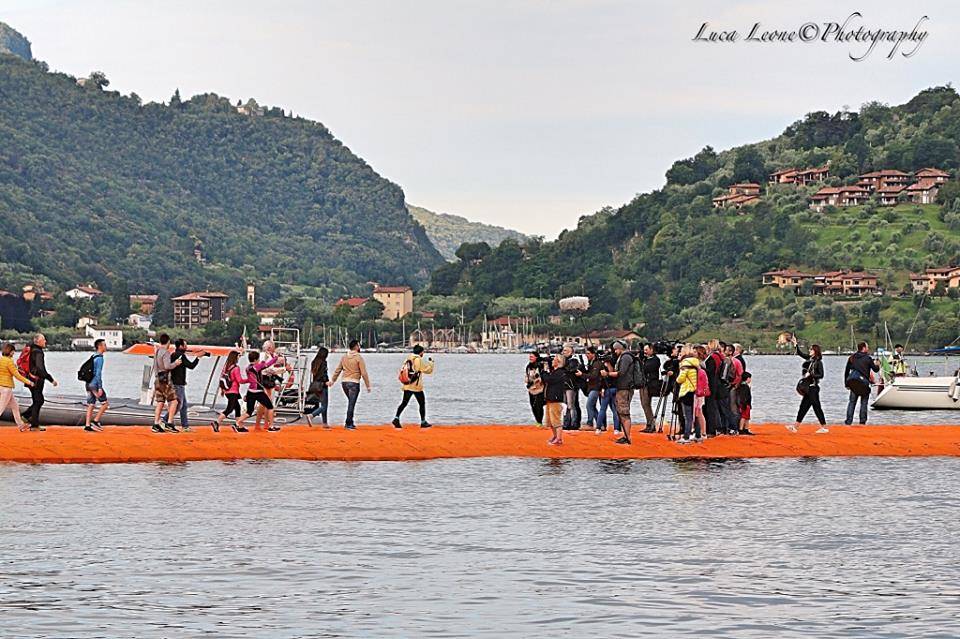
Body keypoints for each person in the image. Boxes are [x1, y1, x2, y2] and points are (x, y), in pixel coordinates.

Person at [329, 339, 371, 430]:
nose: (359, 347)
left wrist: (333, 380)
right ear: (356, 346)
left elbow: (338, 369)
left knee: (351, 402)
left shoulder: (344, 357)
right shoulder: (359, 357)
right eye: (359, 345)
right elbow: (363, 373)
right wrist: (368, 385)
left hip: (344, 382)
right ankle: (348, 423)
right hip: (354, 382)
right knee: (351, 403)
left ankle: (350, 422)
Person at [234, 350, 280, 431]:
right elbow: (267, 364)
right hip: (258, 392)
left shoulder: (248, 367)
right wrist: (275, 357)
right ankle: (271, 426)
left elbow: (261, 366)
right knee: (270, 407)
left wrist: (265, 359)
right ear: (255, 360)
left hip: (250, 391)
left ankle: (237, 423)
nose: (259, 360)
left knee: (249, 412)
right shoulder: (256, 367)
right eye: (258, 359)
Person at [392, 345, 435, 428]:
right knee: (422, 403)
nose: (423, 353)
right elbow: (428, 370)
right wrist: (431, 362)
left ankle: (396, 418)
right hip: (416, 386)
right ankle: (423, 422)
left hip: (407, 384)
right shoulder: (418, 359)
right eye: (423, 352)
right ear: (420, 352)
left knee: (404, 402)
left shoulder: (408, 358)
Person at [169, 338, 207, 432]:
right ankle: (166, 421)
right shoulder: (181, 356)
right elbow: (191, 366)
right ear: (181, 346)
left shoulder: (174, 354)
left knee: (184, 405)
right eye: (185, 345)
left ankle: (185, 426)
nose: (187, 347)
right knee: (178, 405)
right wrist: (198, 357)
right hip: (178, 384)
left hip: (177, 382)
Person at [22, 333, 58, 431]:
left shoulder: (31, 349)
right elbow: (40, 368)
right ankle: (33, 424)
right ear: (38, 341)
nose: (45, 341)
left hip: (29, 378)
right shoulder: (38, 352)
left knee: (37, 400)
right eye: (44, 340)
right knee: (38, 401)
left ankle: (27, 417)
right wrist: (51, 379)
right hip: (36, 380)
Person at [601, 341, 634, 445]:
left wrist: (607, 373)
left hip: (625, 388)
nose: (615, 352)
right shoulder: (623, 357)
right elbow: (616, 371)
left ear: (620, 348)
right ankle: (626, 435)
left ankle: (627, 437)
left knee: (624, 412)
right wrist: (608, 366)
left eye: (616, 349)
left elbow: (621, 373)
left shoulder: (625, 357)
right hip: (621, 387)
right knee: (621, 411)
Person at [790, 340, 827, 433]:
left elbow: (821, 375)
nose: (809, 350)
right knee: (803, 407)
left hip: (813, 388)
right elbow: (800, 354)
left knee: (816, 407)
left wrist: (810, 375)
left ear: (815, 351)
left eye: (811, 349)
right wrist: (796, 345)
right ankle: (795, 427)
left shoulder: (818, 362)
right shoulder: (811, 359)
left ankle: (824, 427)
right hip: (808, 388)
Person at [152, 334, 182, 433]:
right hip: (165, 380)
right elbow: (167, 366)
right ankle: (169, 423)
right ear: (168, 342)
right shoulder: (166, 353)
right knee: (174, 401)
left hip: (157, 379)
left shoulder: (157, 352)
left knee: (160, 402)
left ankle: (156, 424)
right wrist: (176, 363)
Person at [844, 341, 879, 426]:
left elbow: (846, 371)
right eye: (867, 347)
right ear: (863, 348)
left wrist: (846, 384)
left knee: (852, 402)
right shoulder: (868, 358)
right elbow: (875, 370)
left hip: (853, 383)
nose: (868, 348)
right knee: (864, 402)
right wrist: (878, 364)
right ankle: (862, 422)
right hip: (864, 383)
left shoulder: (852, 357)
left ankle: (848, 421)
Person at [0, 342, 33, 431]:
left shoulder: (1, 359)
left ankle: (21, 426)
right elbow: (17, 375)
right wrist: (29, 382)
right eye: (13, 351)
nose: (14, 353)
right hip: (6, 388)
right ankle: (21, 425)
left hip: (1, 386)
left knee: (15, 406)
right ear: (10, 351)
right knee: (1, 408)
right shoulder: (9, 362)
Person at [211, 350, 246, 432]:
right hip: (233, 391)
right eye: (238, 356)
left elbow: (223, 379)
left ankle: (239, 426)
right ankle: (217, 422)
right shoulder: (236, 368)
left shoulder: (226, 367)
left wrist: (222, 390)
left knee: (237, 407)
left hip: (227, 391)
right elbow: (240, 380)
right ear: (235, 357)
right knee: (229, 409)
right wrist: (249, 380)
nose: (238, 358)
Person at [676, 344, 702, 444]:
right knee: (695, 414)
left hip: (686, 390)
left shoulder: (685, 363)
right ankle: (698, 435)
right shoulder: (696, 362)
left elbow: (681, 378)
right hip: (695, 391)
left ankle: (686, 436)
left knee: (687, 415)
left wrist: (677, 379)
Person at [83, 338, 109, 432]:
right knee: (105, 403)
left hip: (88, 383)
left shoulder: (93, 356)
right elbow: (98, 374)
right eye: (104, 345)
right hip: (94, 384)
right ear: (100, 346)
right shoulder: (100, 358)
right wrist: (100, 387)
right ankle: (96, 421)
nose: (106, 347)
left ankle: (87, 425)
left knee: (91, 404)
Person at [541, 354, 567, 445]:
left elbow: (549, 380)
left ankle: (559, 438)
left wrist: (544, 371)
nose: (552, 361)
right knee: (550, 421)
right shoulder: (554, 372)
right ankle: (555, 436)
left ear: (558, 362)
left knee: (556, 420)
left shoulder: (560, 372)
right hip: (550, 398)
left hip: (556, 399)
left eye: (554, 360)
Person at [718, 343, 742, 435]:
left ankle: (734, 427)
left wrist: (735, 385)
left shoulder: (735, 361)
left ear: (730, 352)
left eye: (726, 350)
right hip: (727, 386)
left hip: (732, 386)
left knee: (732, 407)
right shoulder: (725, 360)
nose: (724, 352)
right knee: (726, 407)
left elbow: (740, 374)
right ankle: (728, 427)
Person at [638, 343, 661, 433]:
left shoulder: (655, 360)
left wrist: (641, 361)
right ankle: (650, 424)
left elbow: (645, 369)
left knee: (646, 404)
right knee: (645, 405)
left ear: (652, 350)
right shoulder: (645, 359)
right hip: (644, 384)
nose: (645, 352)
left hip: (650, 385)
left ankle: (651, 425)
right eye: (644, 350)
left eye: (646, 350)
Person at [305, 347, 330, 427]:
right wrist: (326, 382)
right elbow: (323, 375)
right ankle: (311, 415)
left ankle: (325, 423)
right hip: (322, 385)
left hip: (315, 385)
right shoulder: (323, 363)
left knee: (323, 404)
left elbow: (315, 375)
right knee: (324, 405)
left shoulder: (314, 362)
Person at [702, 339, 722, 437]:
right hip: (717, 383)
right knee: (713, 406)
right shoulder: (719, 357)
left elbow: (709, 372)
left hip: (711, 383)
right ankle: (715, 427)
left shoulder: (712, 358)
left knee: (710, 407)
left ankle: (711, 429)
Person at [581, 346, 604, 433]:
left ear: (593, 354)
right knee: (592, 406)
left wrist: (582, 375)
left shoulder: (597, 363)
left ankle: (590, 423)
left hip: (595, 387)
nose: (586, 355)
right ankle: (600, 424)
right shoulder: (592, 363)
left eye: (588, 353)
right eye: (586, 353)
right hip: (592, 387)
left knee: (589, 405)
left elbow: (594, 376)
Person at [597, 355, 621, 434]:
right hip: (614, 389)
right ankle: (616, 429)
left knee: (603, 409)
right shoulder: (616, 369)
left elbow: (601, 381)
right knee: (615, 410)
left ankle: (598, 428)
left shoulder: (605, 371)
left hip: (607, 390)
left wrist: (602, 388)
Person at [560, 344, 582, 430]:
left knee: (571, 405)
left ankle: (573, 424)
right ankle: (566, 423)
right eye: (563, 350)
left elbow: (570, 369)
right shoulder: (565, 360)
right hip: (565, 385)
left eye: (565, 351)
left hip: (571, 386)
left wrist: (562, 365)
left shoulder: (574, 360)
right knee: (565, 405)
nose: (563, 352)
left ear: (570, 351)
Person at [524, 353, 545, 426]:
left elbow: (542, 377)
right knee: (533, 406)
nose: (530, 358)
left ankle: (540, 421)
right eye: (530, 357)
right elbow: (526, 376)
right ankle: (537, 421)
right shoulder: (528, 367)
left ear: (536, 357)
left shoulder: (540, 366)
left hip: (540, 389)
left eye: (532, 357)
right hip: (531, 389)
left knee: (538, 406)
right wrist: (527, 382)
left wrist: (536, 380)